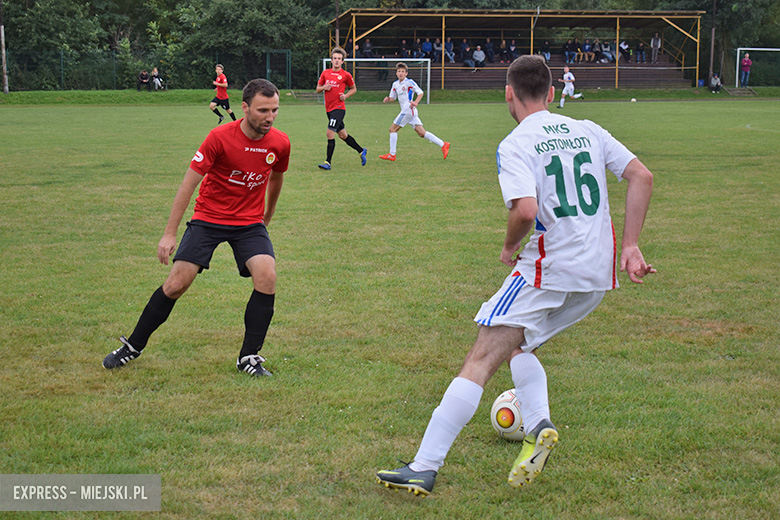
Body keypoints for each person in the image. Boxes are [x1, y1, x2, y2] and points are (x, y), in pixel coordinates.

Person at [376, 54, 655, 497]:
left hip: (548, 268)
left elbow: (525, 211)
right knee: (520, 346)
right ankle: (538, 424)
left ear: (508, 93)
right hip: (597, 273)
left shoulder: (516, 142)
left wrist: (508, 247)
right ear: (550, 93)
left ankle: (423, 466)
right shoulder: (588, 129)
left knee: (482, 356)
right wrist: (632, 245)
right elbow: (641, 175)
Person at [102, 78, 290, 379]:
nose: (269, 117)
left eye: (275, 110)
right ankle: (133, 346)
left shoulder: (280, 143)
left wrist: (267, 215)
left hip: (248, 223)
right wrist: (169, 233)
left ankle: (249, 357)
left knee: (267, 276)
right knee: (177, 283)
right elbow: (188, 185)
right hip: (209, 218)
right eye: (262, 110)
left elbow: (277, 178)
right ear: (244, 108)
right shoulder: (218, 137)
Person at [379, 62, 450, 163]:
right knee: (421, 133)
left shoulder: (409, 82)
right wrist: (387, 99)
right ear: (396, 73)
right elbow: (393, 98)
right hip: (409, 112)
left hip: (407, 110)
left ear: (406, 73)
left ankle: (392, 154)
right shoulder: (395, 84)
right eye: (399, 71)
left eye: (403, 71)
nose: (400, 73)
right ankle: (443, 144)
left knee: (392, 129)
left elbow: (420, 92)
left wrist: (416, 102)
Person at [315, 47, 368, 171]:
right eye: (335, 58)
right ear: (331, 60)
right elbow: (317, 89)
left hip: (339, 109)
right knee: (343, 135)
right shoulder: (325, 73)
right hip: (328, 109)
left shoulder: (346, 75)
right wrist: (324, 87)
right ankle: (361, 150)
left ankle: (327, 162)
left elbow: (354, 89)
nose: (337, 61)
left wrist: (345, 96)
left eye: (339, 59)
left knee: (329, 133)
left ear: (342, 61)